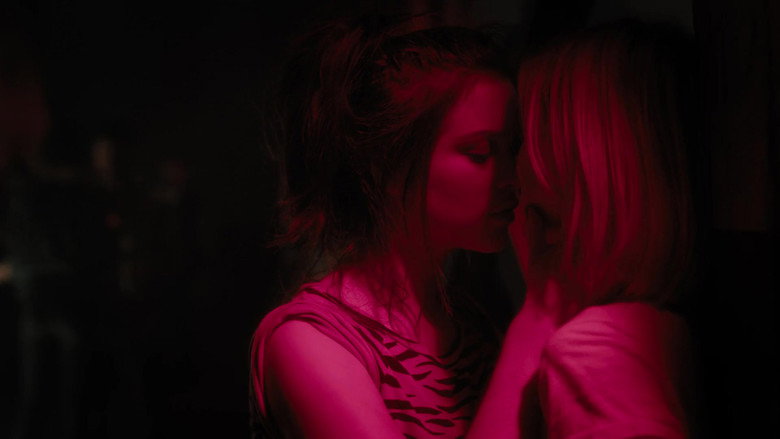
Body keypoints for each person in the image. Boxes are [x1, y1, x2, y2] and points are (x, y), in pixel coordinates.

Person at [249, 16, 520, 439]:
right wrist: (541, 316)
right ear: (388, 164)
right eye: (480, 152)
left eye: (513, 150)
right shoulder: (312, 339)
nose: (511, 179)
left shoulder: (472, 331)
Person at [468, 21, 697, 439]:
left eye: (517, 142)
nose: (504, 178)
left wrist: (536, 317)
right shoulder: (664, 330)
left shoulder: (597, 352)